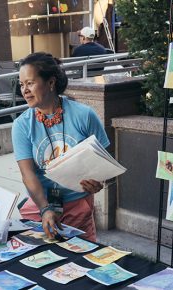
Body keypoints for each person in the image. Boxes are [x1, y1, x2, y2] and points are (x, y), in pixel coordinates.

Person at [12, 52, 110, 242]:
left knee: (81, 262)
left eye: (30, 83)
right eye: (22, 84)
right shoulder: (22, 125)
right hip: (41, 206)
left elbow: (105, 162)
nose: (24, 90)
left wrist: (99, 181)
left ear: (50, 83)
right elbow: (28, 175)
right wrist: (45, 209)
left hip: (78, 206)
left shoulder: (84, 115)